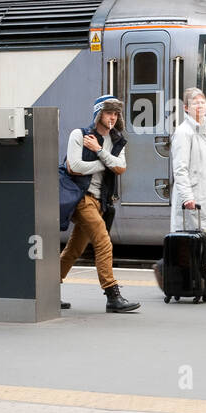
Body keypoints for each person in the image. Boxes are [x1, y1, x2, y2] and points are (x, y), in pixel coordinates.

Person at [59, 95, 140, 313]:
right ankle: (112, 295)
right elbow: (73, 167)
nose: (112, 117)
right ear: (98, 114)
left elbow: (121, 167)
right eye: (108, 113)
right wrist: (105, 164)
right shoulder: (80, 134)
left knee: (74, 250)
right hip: (81, 197)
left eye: (115, 113)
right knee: (103, 241)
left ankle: (45, 289)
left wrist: (98, 151)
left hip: (99, 202)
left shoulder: (117, 140)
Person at [166, 87, 206, 298]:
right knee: (196, 244)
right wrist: (187, 197)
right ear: (186, 108)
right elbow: (180, 169)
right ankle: (190, 281)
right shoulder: (183, 133)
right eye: (195, 103)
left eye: (202, 102)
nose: (200, 106)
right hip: (197, 196)